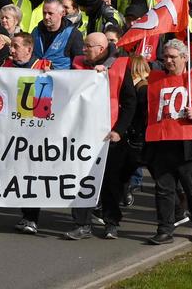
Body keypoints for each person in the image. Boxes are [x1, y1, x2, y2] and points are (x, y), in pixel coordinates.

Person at [144, 40, 192, 245]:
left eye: (173, 57)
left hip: (190, 146)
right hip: (163, 144)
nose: (168, 61)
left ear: (184, 58)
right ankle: (165, 229)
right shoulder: (155, 81)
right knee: (164, 190)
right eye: (165, 57)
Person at [62, 34, 136, 240]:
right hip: (81, 135)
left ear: (101, 49)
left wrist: (119, 131)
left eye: (88, 46)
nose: (83, 50)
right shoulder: (76, 64)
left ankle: (111, 222)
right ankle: (81, 223)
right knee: (80, 179)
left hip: (109, 136)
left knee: (110, 182)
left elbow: (130, 103)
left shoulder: (121, 66)